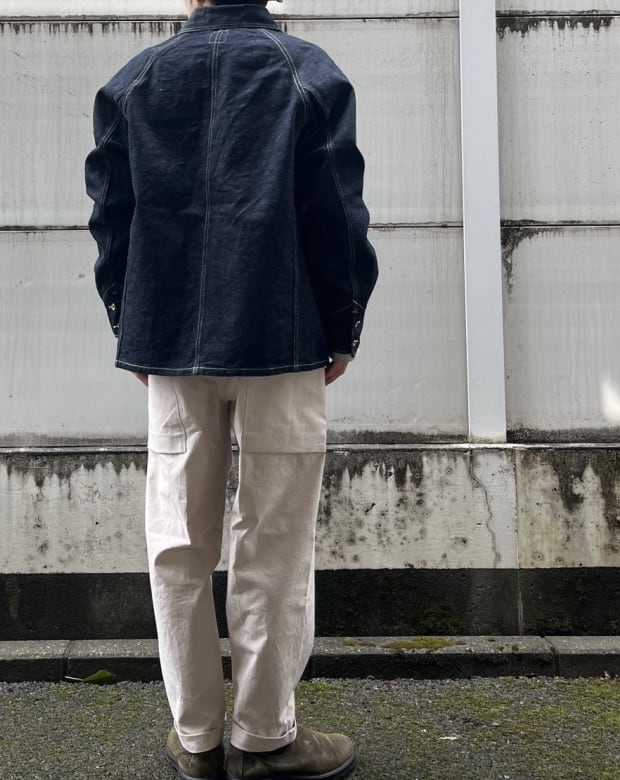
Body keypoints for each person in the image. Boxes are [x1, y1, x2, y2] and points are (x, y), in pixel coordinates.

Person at [85, 0, 378, 778]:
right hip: (284, 335)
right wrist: (342, 326)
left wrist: (130, 322)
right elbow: (338, 213)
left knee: (178, 539)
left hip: (172, 339)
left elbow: (112, 218)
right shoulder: (307, 72)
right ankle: (264, 738)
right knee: (275, 538)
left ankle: (198, 739)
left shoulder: (135, 80)